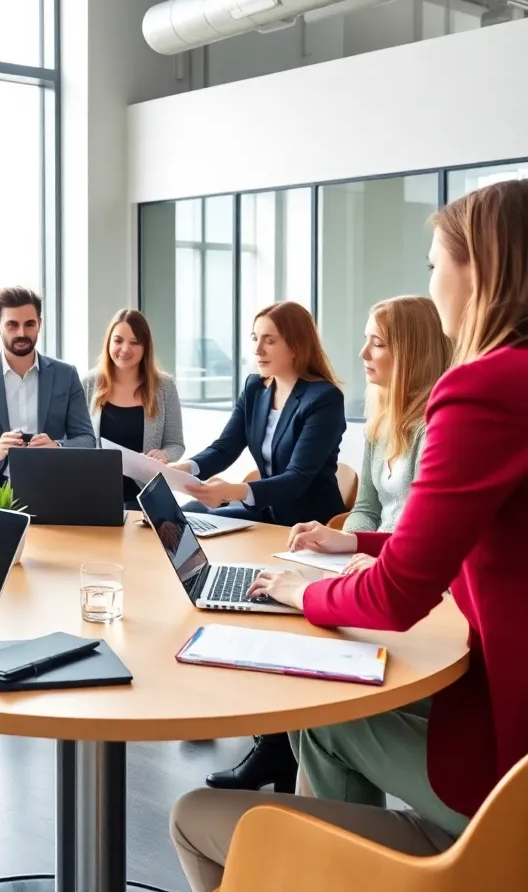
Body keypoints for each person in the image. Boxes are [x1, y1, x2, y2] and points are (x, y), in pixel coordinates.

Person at [169, 179, 528, 892]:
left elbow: (399, 596)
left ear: (478, 270)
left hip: (503, 782)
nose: (431, 281)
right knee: (324, 726)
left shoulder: (481, 389)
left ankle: (360, 867)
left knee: (195, 811)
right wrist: (352, 550)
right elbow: (457, 544)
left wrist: (305, 594)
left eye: (434, 264)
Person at [172, 300, 346, 794]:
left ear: (296, 344)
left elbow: (296, 480)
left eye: (269, 339)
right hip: (262, 511)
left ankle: (274, 747)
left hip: (304, 524)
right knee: (186, 523)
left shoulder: (322, 399)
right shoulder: (255, 389)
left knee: (234, 566)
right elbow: (223, 450)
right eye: (255, 338)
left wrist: (234, 492)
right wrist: (186, 470)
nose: (258, 348)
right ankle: (223, 703)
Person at [0, 286, 96, 502]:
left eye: (29, 324)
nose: (22, 333)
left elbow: (87, 440)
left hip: (53, 489)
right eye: (12, 325)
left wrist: (57, 447)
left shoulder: (66, 375)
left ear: (40, 324)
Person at [341, 295, 452, 557]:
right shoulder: (380, 422)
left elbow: (427, 535)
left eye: (377, 343)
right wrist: (349, 544)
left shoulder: (433, 430)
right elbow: (366, 509)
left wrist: (364, 551)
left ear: (414, 355)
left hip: (407, 564)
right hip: (379, 559)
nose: (363, 353)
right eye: (366, 339)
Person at [81, 308, 185, 507]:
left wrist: (164, 455)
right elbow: (76, 440)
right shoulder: (88, 384)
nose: (125, 349)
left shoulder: (165, 387)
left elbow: (176, 444)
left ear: (145, 346)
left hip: (147, 497)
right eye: (118, 340)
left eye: (135, 342)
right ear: (109, 343)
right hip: (96, 495)